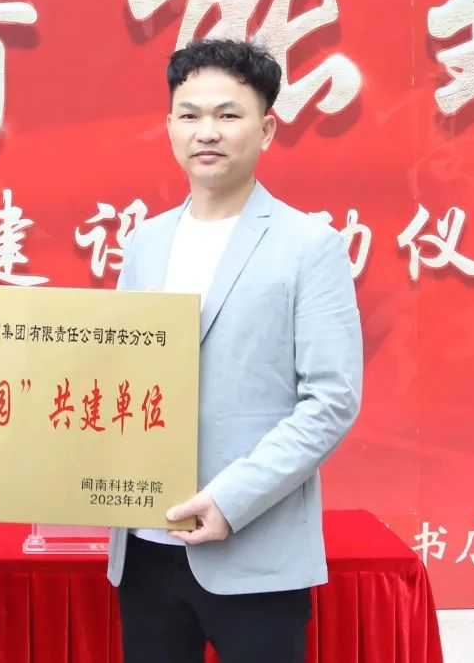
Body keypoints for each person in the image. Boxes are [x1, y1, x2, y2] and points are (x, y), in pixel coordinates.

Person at [109, 38, 363, 662]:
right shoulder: (145, 242)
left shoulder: (309, 245)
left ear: (266, 129)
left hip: (254, 546)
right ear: (170, 126)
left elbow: (331, 400)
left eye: (228, 115)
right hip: (145, 546)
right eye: (190, 114)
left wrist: (231, 498)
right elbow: (119, 378)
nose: (207, 132)